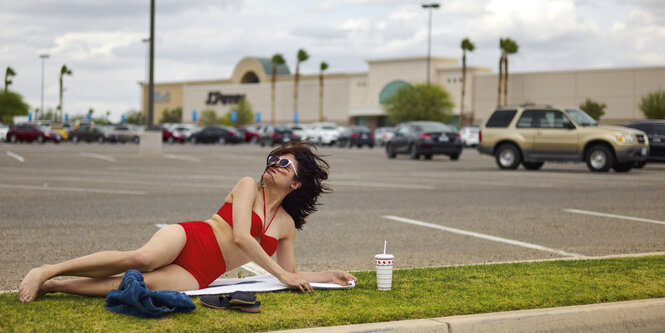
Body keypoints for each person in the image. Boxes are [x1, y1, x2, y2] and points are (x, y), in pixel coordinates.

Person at [19, 141, 357, 303]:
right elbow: (241, 236)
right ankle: (47, 270)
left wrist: (329, 275)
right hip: (193, 237)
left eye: (284, 163)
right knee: (142, 259)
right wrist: (282, 274)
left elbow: (289, 273)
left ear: (296, 184)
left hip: (201, 273)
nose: (274, 163)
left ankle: (54, 286)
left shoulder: (285, 226)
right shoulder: (246, 187)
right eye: (273, 158)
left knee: (139, 284)